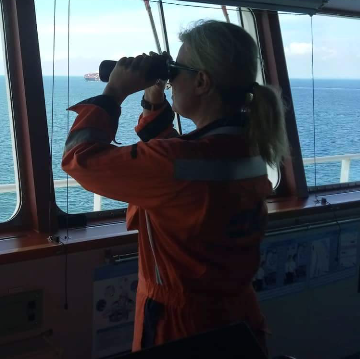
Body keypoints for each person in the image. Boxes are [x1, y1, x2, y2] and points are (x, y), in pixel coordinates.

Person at [61, 20, 288, 354]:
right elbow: (181, 172)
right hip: (237, 321)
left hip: (180, 328)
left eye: (175, 71)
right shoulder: (246, 149)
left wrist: (114, 93)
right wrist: (154, 100)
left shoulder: (179, 163)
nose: (170, 81)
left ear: (201, 81)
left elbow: (79, 158)